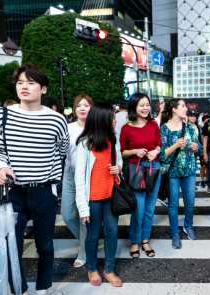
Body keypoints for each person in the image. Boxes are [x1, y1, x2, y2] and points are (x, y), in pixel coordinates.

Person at [0, 64, 69, 295]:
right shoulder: (2, 115)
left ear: (43, 89)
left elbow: (61, 151)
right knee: (11, 246)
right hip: (13, 192)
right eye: (20, 82)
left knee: (45, 246)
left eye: (30, 82)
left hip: (44, 192)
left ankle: (43, 288)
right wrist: (0, 166)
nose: (24, 86)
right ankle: (21, 289)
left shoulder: (57, 120)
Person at [75, 102, 123, 287]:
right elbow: (79, 177)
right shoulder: (85, 143)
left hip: (112, 197)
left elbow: (118, 161)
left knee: (112, 233)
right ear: (103, 119)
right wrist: (83, 207)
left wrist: (118, 167)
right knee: (92, 236)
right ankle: (93, 268)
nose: (115, 120)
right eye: (112, 117)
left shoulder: (113, 140)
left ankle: (109, 269)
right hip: (92, 200)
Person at [120, 93, 162, 258]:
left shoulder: (153, 125)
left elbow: (159, 145)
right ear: (134, 108)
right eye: (141, 105)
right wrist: (135, 151)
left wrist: (155, 151)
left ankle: (145, 240)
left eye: (147, 105)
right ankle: (134, 241)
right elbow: (123, 152)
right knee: (138, 209)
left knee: (150, 209)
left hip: (153, 167)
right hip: (135, 169)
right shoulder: (126, 128)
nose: (145, 108)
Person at [159, 98, 203, 249]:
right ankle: (174, 232)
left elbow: (200, 149)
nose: (186, 109)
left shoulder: (190, 127)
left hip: (189, 170)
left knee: (190, 202)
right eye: (183, 106)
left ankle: (188, 226)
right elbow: (162, 155)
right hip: (172, 172)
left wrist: (196, 148)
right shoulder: (164, 129)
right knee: (173, 204)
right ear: (174, 109)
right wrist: (176, 145)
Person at [61, 94, 93, 268]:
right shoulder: (68, 128)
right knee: (67, 215)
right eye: (79, 105)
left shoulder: (96, 130)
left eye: (86, 105)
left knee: (83, 217)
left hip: (88, 176)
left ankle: (83, 252)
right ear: (74, 109)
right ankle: (88, 241)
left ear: (91, 108)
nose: (82, 108)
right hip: (69, 173)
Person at [199, 114, 210, 188]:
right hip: (202, 151)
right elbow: (201, 140)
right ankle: (202, 180)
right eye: (206, 121)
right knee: (203, 166)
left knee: (208, 167)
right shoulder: (201, 130)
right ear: (203, 122)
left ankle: (207, 179)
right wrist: (202, 151)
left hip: (209, 150)